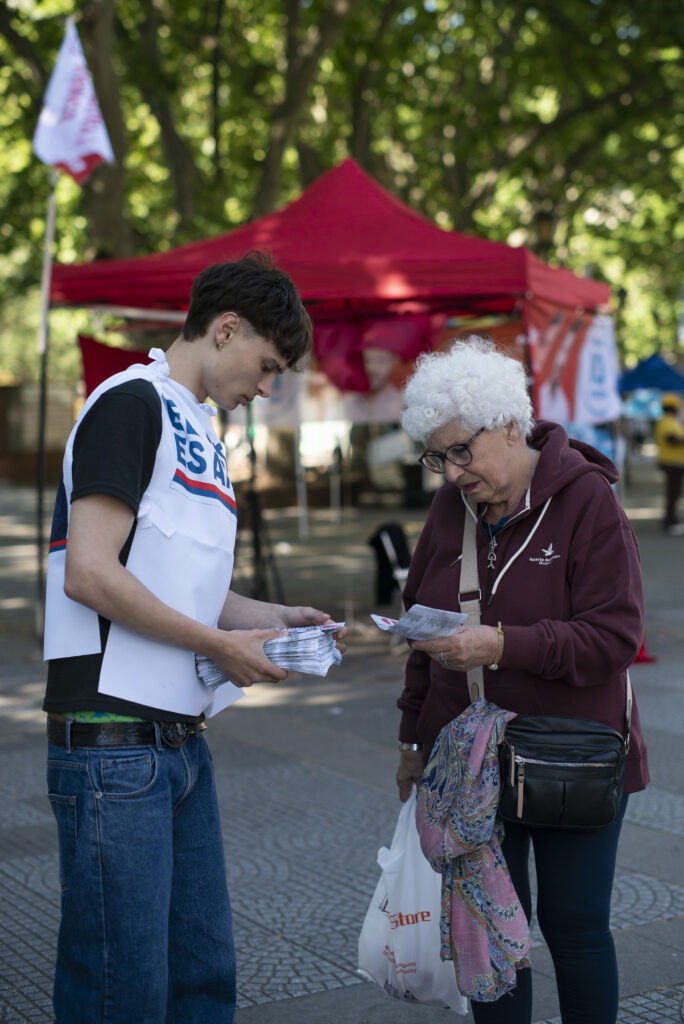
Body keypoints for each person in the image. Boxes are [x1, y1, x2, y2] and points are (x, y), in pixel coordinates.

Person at [42, 251, 347, 1024]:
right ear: (226, 328)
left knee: (203, 980)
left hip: (174, 743)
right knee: (124, 993)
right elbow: (91, 573)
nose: (267, 387)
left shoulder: (195, 422)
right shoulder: (131, 403)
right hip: (114, 743)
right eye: (268, 365)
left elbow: (188, 589)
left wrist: (275, 619)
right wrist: (220, 647)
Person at [395, 337, 648, 1024]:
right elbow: (422, 630)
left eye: (461, 451)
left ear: (510, 424)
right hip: (472, 764)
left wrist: (502, 645)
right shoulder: (452, 510)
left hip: (574, 754)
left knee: (575, 929)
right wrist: (411, 742)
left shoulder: (587, 501)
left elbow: (615, 636)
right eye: (436, 456)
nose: (450, 472)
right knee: (490, 941)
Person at [653, 391, 684, 535]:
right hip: (672, 463)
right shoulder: (666, 421)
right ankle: (670, 522)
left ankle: (671, 520)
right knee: (673, 493)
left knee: (674, 493)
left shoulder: (669, 421)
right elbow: (671, 439)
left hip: (674, 462)